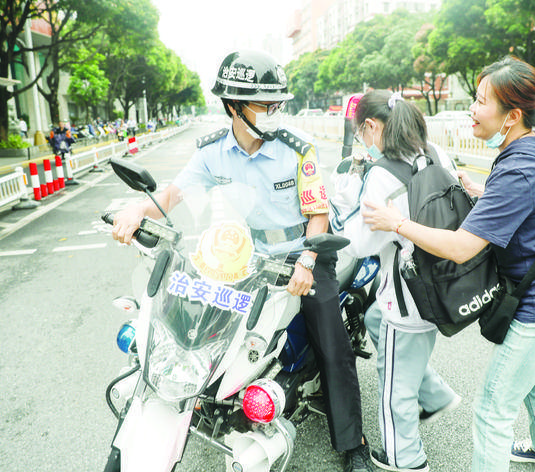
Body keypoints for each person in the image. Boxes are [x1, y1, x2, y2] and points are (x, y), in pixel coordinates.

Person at [110, 49, 374, 472]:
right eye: (264, 105)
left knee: (331, 340)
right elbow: (173, 195)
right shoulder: (212, 151)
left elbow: (317, 216)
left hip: (300, 254)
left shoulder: (298, 150)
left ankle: (352, 441)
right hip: (241, 257)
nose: (274, 113)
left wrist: (306, 260)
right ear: (233, 106)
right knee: (193, 315)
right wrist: (135, 211)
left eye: (278, 105)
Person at [362, 56, 535, 471]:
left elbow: (461, 248)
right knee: (532, 376)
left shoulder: (520, 167)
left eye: (481, 101)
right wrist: (488, 195)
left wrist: (399, 222)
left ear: (511, 116)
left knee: (492, 410)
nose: (472, 108)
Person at [329, 90, 461, 472]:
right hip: (443, 285)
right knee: (374, 322)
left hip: (408, 297)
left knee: (393, 393)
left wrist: (345, 196)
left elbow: (357, 243)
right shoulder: (435, 152)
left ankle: (406, 460)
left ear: (371, 127)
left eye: (362, 134)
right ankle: (434, 395)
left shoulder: (383, 173)